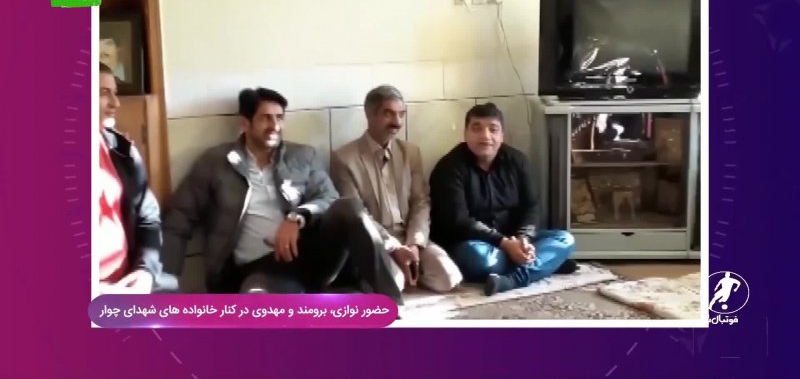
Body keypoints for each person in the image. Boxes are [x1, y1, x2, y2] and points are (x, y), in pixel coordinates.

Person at [161, 87, 402, 303]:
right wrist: (164, 287)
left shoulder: (302, 156)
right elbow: (177, 221)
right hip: (260, 270)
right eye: (266, 118)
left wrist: (297, 217)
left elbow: (329, 197)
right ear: (245, 123)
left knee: (349, 208)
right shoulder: (215, 163)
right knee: (259, 304)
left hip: (311, 255)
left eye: (279, 118)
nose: (275, 126)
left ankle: (390, 302)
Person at [429, 103, 577, 296]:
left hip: (513, 238)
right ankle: (544, 264)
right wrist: (505, 244)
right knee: (481, 260)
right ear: (465, 134)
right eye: (477, 128)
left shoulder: (517, 161)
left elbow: (531, 206)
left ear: (502, 135)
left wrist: (523, 239)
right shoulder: (449, 168)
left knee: (565, 239)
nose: (485, 136)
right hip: (471, 244)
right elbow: (460, 221)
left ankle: (514, 279)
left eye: (493, 129)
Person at [331, 86, 462, 293]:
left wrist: (415, 243)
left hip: (410, 237)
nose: (397, 122)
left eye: (401, 114)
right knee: (394, 284)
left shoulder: (410, 152)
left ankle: (410, 269)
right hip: (375, 242)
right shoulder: (344, 158)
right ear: (370, 115)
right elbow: (357, 216)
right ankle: (396, 274)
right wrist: (392, 247)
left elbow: (421, 201)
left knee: (448, 277)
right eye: (388, 114)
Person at [98, 62, 174, 294]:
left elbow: (148, 216)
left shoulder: (122, 150)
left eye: (115, 92)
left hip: (128, 281)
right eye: (103, 93)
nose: (115, 103)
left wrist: (145, 271)